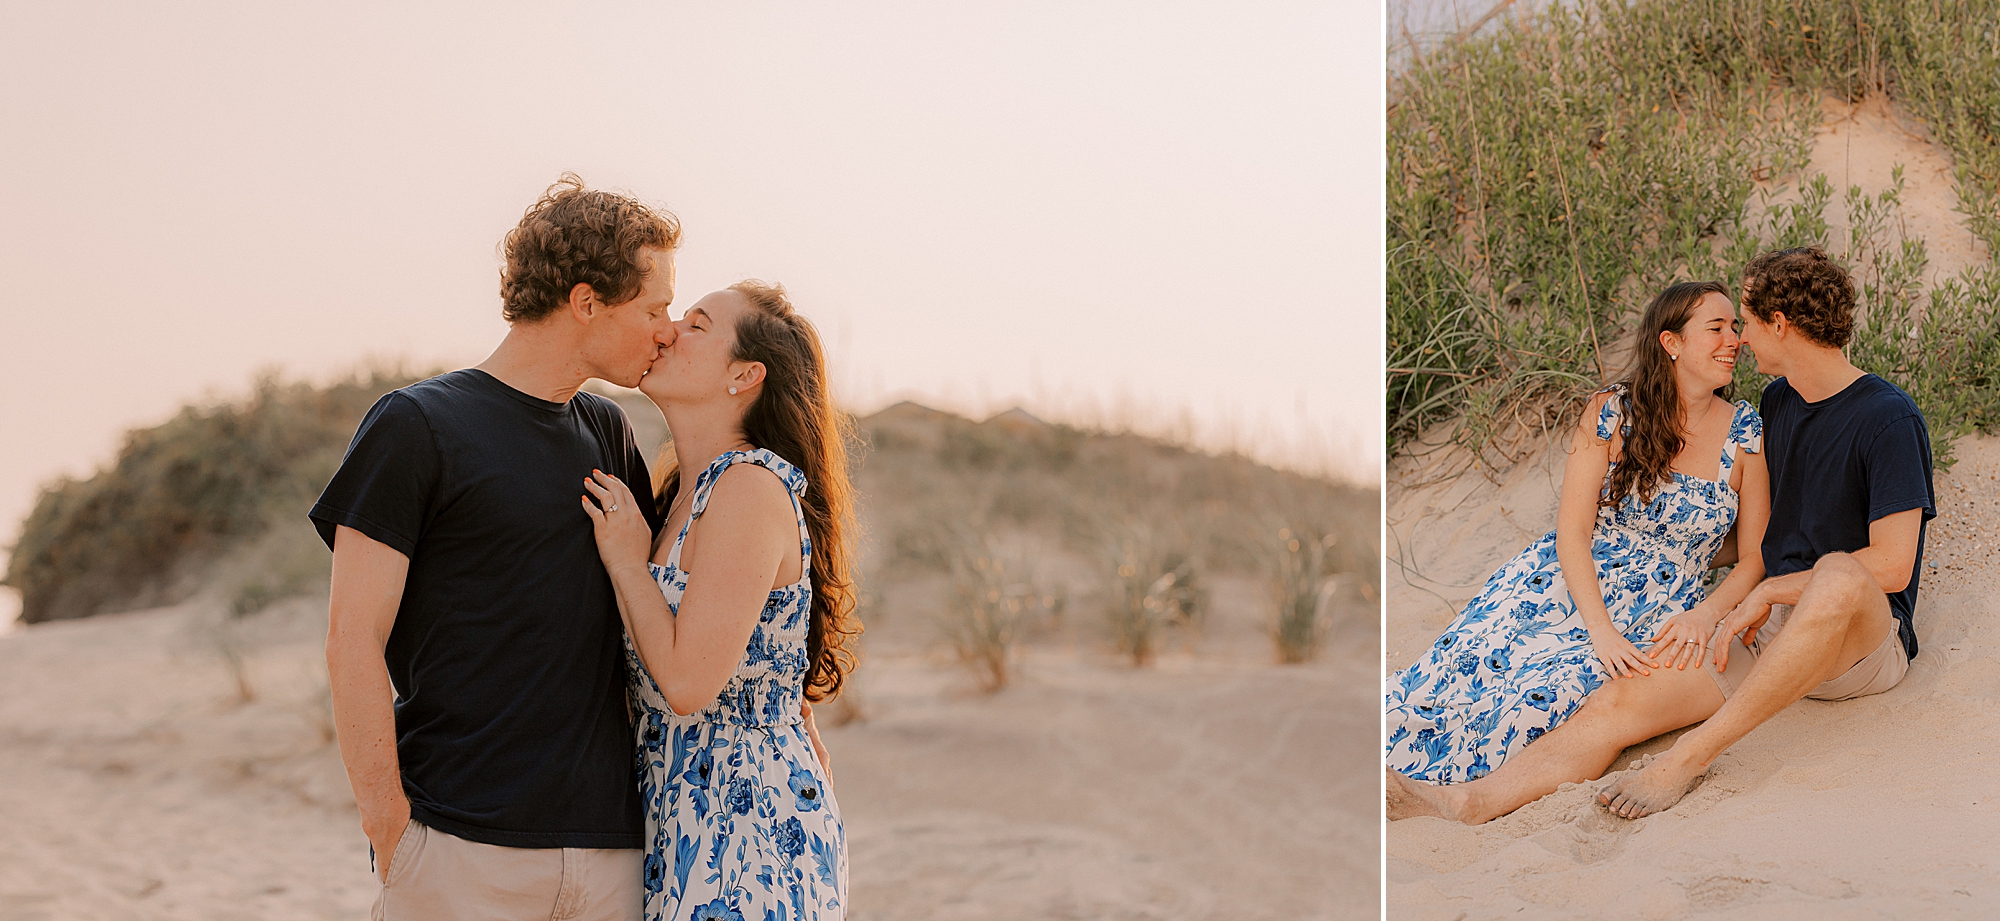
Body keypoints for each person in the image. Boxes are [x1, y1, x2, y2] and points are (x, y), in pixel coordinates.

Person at [1389, 247, 1933, 825]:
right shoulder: (1777, 404)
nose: (1740, 339)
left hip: (1853, 641)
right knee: (1618, 700)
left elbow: (1893, 566)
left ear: (1779, 325)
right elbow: (1752, 525)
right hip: (1761, 630)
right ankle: (1470, 802)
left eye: (1744, 322)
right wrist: (1722, 591)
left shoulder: (1887, 417)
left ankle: (1686, 760)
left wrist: (1770, 590)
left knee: (1838, 576)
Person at [315, 174, 680, 920]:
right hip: (459, 849)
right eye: (655, 307)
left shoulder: (610, 432)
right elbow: (353, 637)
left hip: (612, 853)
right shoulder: (415, 426)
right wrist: (389, 824)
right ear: (586, 301)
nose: (667, 328)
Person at [1386, 280, 1769, 785]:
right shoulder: (1611, 411)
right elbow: (1572, 531)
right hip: (1563, 584)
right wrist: (1601, 632)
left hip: (1659, 609)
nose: (1734, 340)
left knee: (1541, 700)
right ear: (1671, 343)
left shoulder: (1746, 433)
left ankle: (1436, 789)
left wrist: (1703, 615)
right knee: (1456, 675)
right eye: (1716, 328)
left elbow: (1755, 558)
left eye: (1736, 328)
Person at [580, 280, 858, 921]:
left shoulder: (749, 488)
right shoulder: (684, 492)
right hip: (682, 816)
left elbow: (685, 680)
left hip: (746, 827)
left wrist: (627, 561)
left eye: (698, 324)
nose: (671, 329)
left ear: (745, 374)